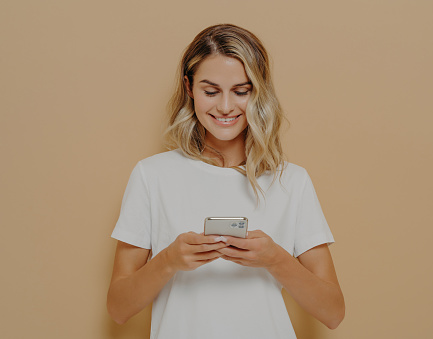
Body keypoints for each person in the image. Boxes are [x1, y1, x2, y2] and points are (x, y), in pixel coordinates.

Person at [107, 23, 345, 338]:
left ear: (258, 92)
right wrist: (169, 260)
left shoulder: (292, 181)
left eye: (241, 91)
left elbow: (333, 312)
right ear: (189, 88)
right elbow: (118, 308)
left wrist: (275, 259)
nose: (225, 107)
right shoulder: (152, 176)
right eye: (211, 91)